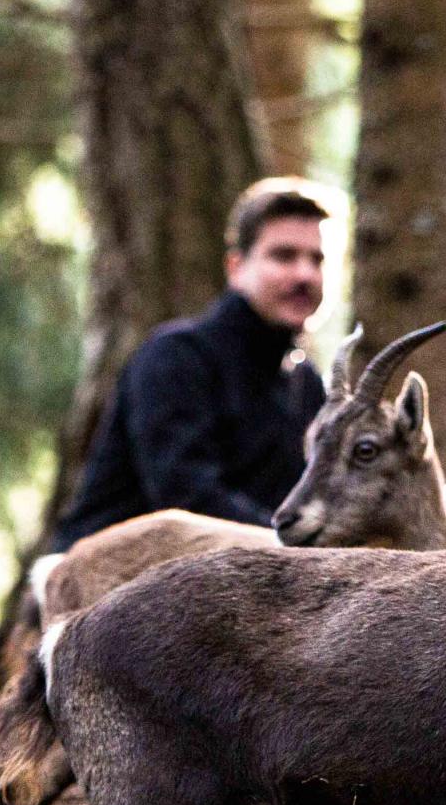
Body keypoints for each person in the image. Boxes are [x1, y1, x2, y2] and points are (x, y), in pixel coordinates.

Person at [51, 180, 331, 551]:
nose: (304, 275)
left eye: (317, 260)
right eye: (283, 256)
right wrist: (295, 546)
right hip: (100, 590)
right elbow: (185, 496)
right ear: (236, 267)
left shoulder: (305, 384)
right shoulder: (175, 358)